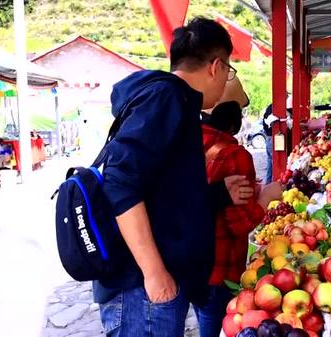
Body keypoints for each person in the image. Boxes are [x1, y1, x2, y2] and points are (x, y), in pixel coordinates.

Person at [95, 17, 254, 337]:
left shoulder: (176, 102)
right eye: (229, 70)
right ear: (216, 66)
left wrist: (218, 194)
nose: (226, 80)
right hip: (142, 288)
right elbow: (120, 182)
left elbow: (165, 195)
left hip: (157, 283)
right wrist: (153, 272)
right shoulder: (165, 98)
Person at [198, 101, 281, 337]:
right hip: (220, 265)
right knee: (215, 325)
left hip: (190, 262)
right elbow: (239, 224)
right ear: (235, 123)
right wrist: (266, 197)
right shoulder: (235, 156)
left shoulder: (186, 146)